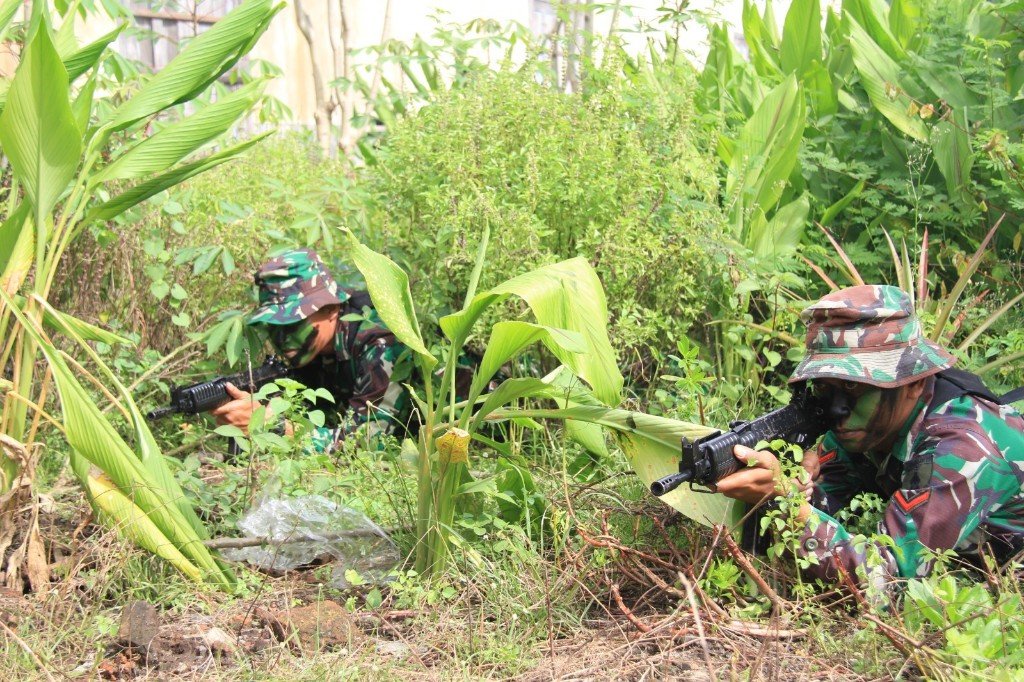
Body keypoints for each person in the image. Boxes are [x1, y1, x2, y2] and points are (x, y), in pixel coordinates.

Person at [716, 285, 1024, 586]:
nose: (837, 411)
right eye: (825, 386)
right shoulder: (866, 423)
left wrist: (795, 514)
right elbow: (829, 499)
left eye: (852, 386)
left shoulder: (961, 449)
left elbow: (886, 580)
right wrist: (793, 487)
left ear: (913, 383)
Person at [210, 248, 409, 452]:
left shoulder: (380, 343)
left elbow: (367, 443)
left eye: (293, 324)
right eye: (273, 326)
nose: (283, 339)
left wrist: (275, 427)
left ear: (330, 308)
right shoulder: (317, 347)